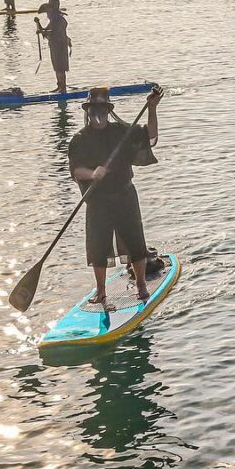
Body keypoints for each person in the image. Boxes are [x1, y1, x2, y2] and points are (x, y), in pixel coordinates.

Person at [68, 85, 163, 305]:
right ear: (88, 111)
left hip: (125, 196)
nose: (98, 113)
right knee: (98, 247)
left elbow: (151, 137)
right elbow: (75, 170)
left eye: (102, 109)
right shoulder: (79, 139)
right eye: (93, 109)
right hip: (97, 201)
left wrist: (152, 108)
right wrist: (93, 173)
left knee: (135, 242)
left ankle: (140, 285)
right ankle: (101, 292)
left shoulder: (122, 132)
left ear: (108, 110)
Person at [37, 0, 71, 92]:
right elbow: (47, 32)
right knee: (56, 67)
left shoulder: (58, 19)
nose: (47, 13)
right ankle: (59, 86)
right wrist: (39, 27)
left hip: (60, 46)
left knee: (60, 67)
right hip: (55, 46)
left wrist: (41, 30)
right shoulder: (54, 19)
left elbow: (50, 32)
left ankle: (63, 87)